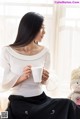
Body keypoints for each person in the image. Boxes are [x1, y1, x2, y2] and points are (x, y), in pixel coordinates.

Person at [0, 12, 80, 119]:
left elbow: (47, 83)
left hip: (41, 100)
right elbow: (3, 84)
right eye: (42, 28)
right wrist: (20, 78)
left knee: (69, 105)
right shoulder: (7, 51)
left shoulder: (45, 52)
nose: (45, 32)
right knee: (9, 115)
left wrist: (45, 79)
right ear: (31, 28)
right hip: (19, 102)